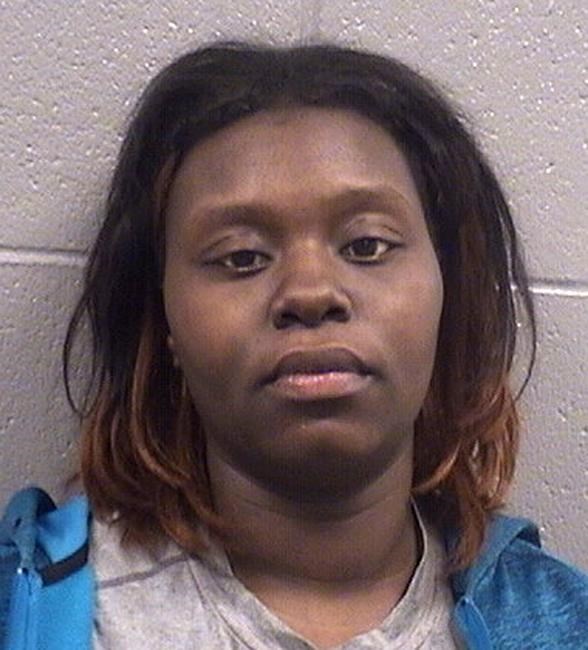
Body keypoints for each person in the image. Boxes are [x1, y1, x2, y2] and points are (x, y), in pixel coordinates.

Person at [3, 41, 588, 649]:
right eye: (242, 257)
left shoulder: (564, 624)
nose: (310, 292)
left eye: (367, 245)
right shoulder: (31, 611)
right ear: (164, 319)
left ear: (447, 293)